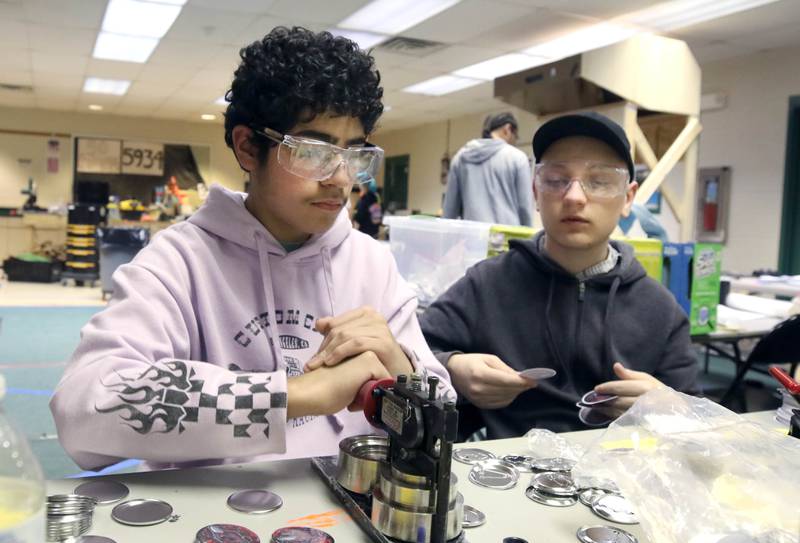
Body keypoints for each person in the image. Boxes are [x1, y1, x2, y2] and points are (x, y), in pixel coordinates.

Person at [51, 26, 452, 471]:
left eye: (354, 155)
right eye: (313, 151)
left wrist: (401, 367)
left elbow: (442, 416)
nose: (341, 179)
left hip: (353, 513)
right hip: (213, 524)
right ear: (248, 147)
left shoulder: (371, 262)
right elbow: (82, 410)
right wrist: (293, 396)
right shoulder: (181, 261)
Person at [421, 112, 698, 438]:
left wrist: (665, 406)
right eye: (555, 180)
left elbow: (697, 417)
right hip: (506, 474)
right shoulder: (488, 285)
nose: (575, 197)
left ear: (628, 198)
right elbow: (412, 351)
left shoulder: (659, 309)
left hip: (621, 475)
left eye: (599, 181)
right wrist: (452, 368)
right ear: (536, 194)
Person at [442, 111, 534, 227]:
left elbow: (449, 212)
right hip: (508, 240)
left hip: (473, 239)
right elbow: (524, 209)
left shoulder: (460, 158)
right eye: (515, 137)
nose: (515, 142)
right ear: (507, 129)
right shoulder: (518, 158)